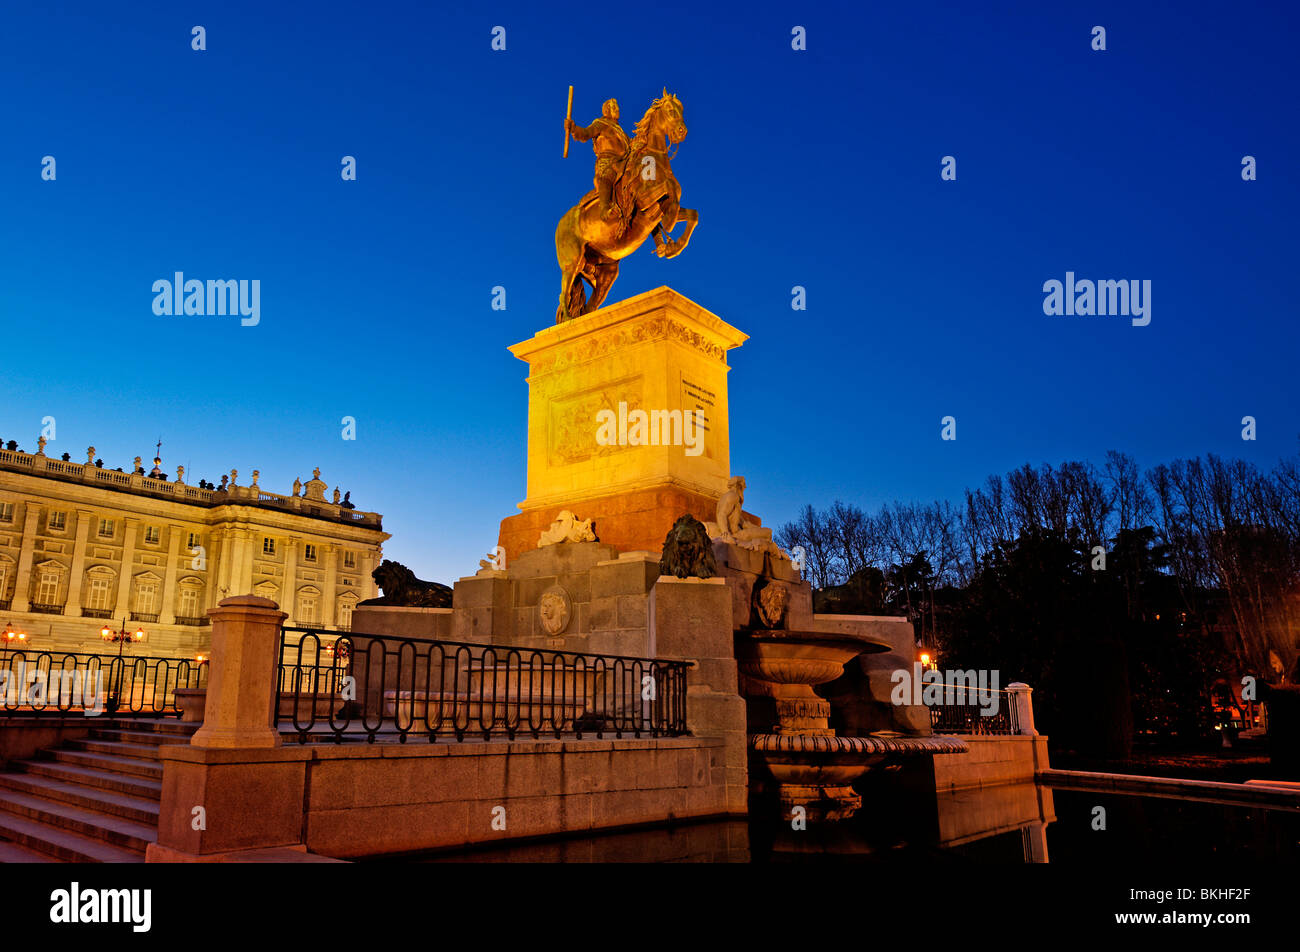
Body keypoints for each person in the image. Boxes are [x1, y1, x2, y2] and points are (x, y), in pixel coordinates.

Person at [567, 99, 630, 233]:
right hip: (607, 161)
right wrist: (573, 128)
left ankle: (658, 237)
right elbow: (585, 134)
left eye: (618, 107)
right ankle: (604, 209)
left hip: (623, 163)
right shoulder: (601, 124)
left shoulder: (623, 135)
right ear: (607, 110)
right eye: (614, 107)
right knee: (607, 176)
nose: (618, 110)